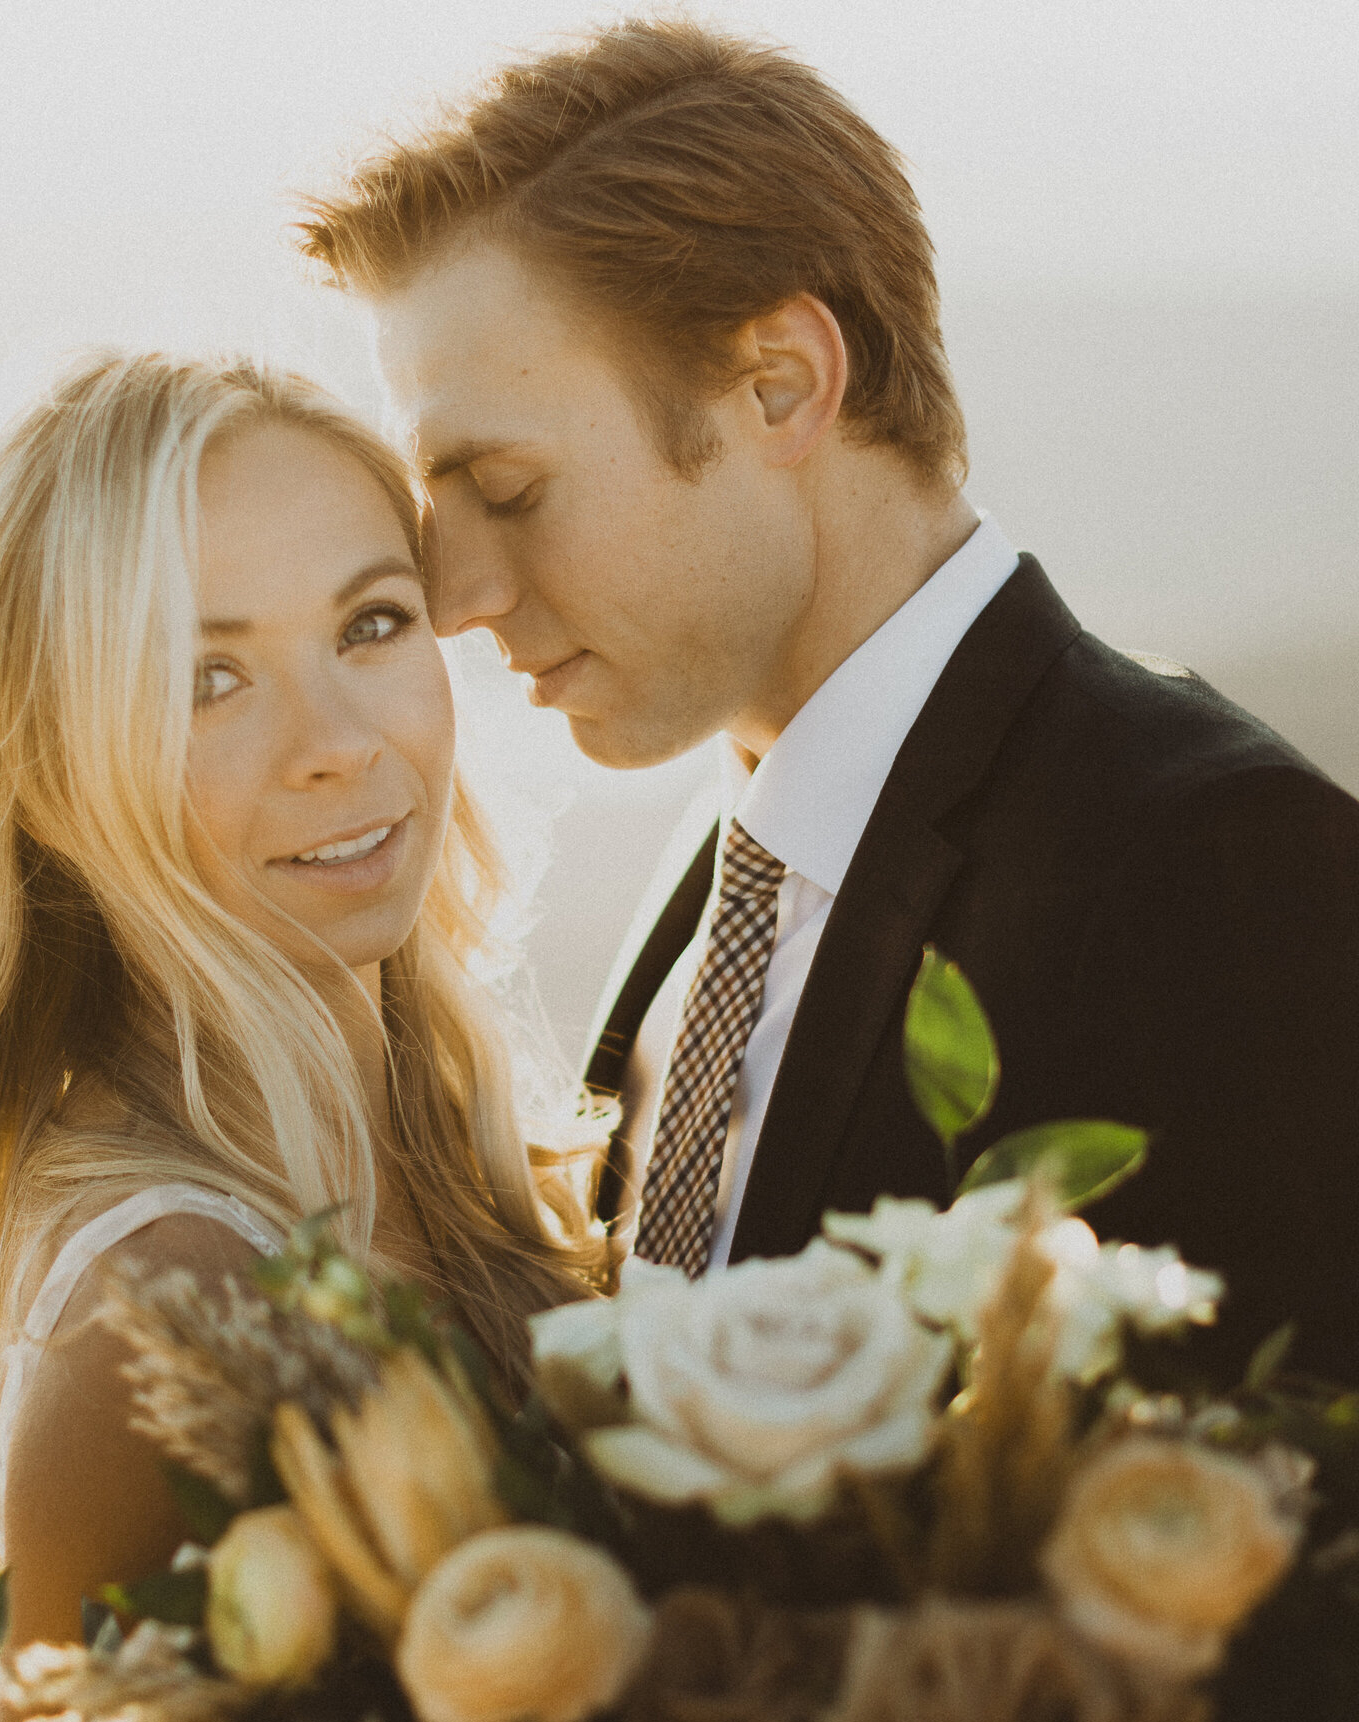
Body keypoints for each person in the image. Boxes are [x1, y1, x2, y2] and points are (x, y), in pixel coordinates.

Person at [298, 16, 1359, 1387]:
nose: (457, 597)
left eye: (509, 491)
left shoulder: (1211, 866)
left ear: (779, 385)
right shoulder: (732, 849)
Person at [0, 352, 605, 1683]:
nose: (334, 740)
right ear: (49, 770)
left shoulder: (465, 1157)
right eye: (205, 681)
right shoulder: (161, 1314)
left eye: (371, 624)